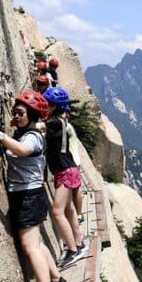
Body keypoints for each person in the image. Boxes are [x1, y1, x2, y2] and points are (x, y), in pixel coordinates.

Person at [0, 91, 69, 282]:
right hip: (31, 194)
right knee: (37, 244)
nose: (16, 116)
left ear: (32, 115)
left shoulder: (32, 137)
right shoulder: (25, 133)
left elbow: (22, 150)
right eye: (15, 112)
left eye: (21, 113)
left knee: (30, 246)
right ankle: (57, 280)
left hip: (28, 196)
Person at [41, 87, 87, 268]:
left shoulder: (55, 122)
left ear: (53, 106)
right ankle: (78, 242)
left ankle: (73, 250)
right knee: (68, 209)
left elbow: (39, 126)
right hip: (68, 170)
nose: (44, 107)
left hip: (65, 171)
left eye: (46, 104)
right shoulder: (60, 122)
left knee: (57, 212)